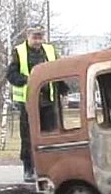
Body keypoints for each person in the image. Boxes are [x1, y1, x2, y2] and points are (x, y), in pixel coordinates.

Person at [6, 26, 67, 182]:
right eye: (35, 37)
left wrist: (63, 87)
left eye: (40, 37)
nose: (38, 41)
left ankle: (50, 168)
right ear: (28, 36)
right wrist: (29, 80)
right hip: (29, 102)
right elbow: (11, 74)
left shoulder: (50, 50)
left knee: (50, 134)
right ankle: (28, 168)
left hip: (48, 100)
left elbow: (58, 70)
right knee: (28, 136)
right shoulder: (19, 51)